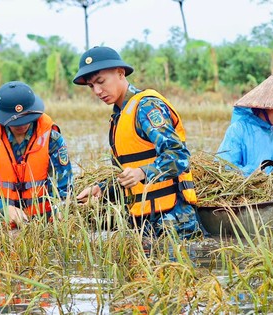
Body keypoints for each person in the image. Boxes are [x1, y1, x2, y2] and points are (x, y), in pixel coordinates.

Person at [72, 46, 202, 239]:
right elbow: (130, 173)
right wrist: (102, 189)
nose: (98, 91)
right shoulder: (119, 115)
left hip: (173, 222)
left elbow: (179, 156)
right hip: (143, 221)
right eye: (91, 86)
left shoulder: (146, 107)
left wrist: (142, 172)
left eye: (101, 82)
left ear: (120, 73)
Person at [0, 81, 73, 227]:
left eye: (26, 119)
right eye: (16, 121)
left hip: (43, 226)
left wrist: (60, 211)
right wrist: (3, 208)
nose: (22, 125)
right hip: (2, 227)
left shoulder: (52, 140)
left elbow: (65, 189)